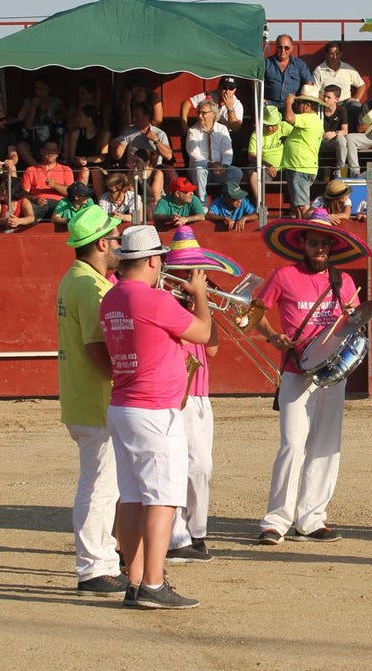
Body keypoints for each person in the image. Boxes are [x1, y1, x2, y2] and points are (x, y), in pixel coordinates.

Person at [100, 225, 212, 609]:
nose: (162, 264)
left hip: (123, 405)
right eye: (160, 259)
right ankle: (152, 582)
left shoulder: (111, 297)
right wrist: (200, 296)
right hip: (154, 411)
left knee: (132, 497)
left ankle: (134, 580)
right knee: (163, 498)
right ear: (151, 260)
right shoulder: (154, 300)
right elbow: (202, 333)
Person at [254, 211, 369, 545]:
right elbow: (256, 312)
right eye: (314, 241)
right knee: (292, 444)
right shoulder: (284, 275)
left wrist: (352, 318)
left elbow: (356, 322)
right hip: (295, 371)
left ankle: (312, 518)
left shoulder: (344, 281)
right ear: (301, 242)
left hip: (333, 373)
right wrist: (273, 336)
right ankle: (275, 521)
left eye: (325, 243)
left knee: (326, 446)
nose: (320, 247)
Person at [56, 205, 126, 597]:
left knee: (100, 484)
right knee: (100, 485)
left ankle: (102, 558)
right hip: (97, 400)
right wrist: (129, 374)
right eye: (115, 238)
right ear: (102, 243)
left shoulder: (75, 279)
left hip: (83, 397)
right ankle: (93, 567)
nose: (118, 244)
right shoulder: (92, 287)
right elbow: (99, 352)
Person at [161, 227, 231, 564]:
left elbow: (213, 349)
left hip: (201, 393)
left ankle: (197, 531)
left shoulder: (195, 302)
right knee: (185, 464)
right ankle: (179, 536)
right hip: (179, 392)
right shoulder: (163, 300)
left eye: (195, 272)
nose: (191, 278)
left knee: (203, 465)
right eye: (186, 272)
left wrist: (205, 304)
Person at [112, 103, 174, 205]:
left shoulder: (159, 133)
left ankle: (168, 203)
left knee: (168, 171)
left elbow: (168, 155)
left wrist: (155, 140)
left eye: (137, 116)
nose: (134, 119)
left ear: (146, 116)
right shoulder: (129, 132)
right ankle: (130, 203)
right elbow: (117, 154)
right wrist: (119, 145)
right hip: (134, 168)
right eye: (133, 116)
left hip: (153, 169)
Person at [280, 85, 326, 218]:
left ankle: (315, 224)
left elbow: (289, 118)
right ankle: (305, 229)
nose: (297, 106)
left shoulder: (308, 118)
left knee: (302, 205)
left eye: (299, 103)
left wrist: (288, 103)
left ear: (307, 106)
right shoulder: (313, 120)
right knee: (299, 206)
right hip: (301, 166)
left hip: (300, 166)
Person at [183, 98, 235, 202]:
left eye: (203, 113)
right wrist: (210, 164)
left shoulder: (222, 129)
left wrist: (225, 165)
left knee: (236, 173)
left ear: (213, 114)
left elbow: (227, 151)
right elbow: (194, 153)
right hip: (201, 166)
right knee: (199, 170)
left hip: (219, 168)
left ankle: (226, 201)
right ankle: (203, 203)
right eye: (198, 113)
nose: (199, 116)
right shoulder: (192, 131)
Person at [313, 41, 368, 129]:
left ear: (341, 54)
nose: (334, 57)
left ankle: (351, 133)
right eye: (331, 54)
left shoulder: (348, 68)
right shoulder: (319, 70)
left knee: (356, 106)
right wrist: (327, 101)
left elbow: (361, 85)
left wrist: (356, 98)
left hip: (346, 102)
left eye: (337, 53)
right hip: (327, 103)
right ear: (326, 54)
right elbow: (315, 91)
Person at [22, 139, 75, 221]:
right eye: (48, 149)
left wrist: (55, 186)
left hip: (59, 204)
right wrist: (35, 199)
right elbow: (23, 194)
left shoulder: (66, 169)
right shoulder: (31, 170)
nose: (51, 152)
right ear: (42, 151)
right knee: (26, 209)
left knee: (67, 209)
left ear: (58, 153)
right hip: (38, 203)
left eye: (53, 150)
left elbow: (71, 193)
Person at [264, 34, 313, 111]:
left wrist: (301, 101)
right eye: (280, 47)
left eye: (286, 48)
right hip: (269, 105)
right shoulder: (266, 63)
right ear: (276, 47)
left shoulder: (299, 64)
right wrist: (261, 99)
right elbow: (256, 83)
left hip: (293, 105)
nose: (283, 50)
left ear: (291, 48)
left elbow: (309, 83)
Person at [318, 85, 351, 176]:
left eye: (328, 97)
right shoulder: (318, 109)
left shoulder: (342, 110)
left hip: (332, 141)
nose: (325, 99)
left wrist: (334, 133)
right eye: (324, 96)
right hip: (318, 141)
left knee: (341, 139)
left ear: (336, 99)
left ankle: (340, 171)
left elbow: (345, 131)